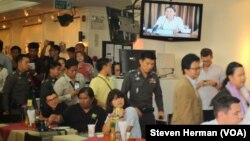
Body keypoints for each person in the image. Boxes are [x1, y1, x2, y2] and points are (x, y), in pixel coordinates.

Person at [121, 51, 164, 138]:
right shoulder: (130, 75)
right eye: (147, 63)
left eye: (152, 64)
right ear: (140, 61)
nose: (150, 66)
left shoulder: (154, 76)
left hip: (149, 114)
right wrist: (132, 108)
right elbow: (123, 95)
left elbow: (158, 95)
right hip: (135, 114)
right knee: (135, 138)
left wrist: (161, 110)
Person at [171, 53, 203, 124]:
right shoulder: (184, 86)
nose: (198, 71)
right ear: (186, 70)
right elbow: (185, 115)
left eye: (199, 68)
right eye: (195, 69)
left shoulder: (190, 82)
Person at [196, 48, 225, 121]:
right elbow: (190, 88)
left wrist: (215, 84)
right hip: (199, 106)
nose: (206, 63)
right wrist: (198, 85)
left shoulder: (219, 69)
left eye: (208, 61)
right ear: (201, 58)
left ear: (212, 57)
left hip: (214, 106)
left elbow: (224, 89)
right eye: (204, 61)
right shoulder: (196, 69)